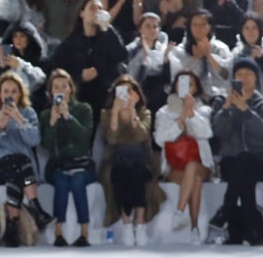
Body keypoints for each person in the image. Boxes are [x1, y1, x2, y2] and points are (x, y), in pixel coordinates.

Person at [0, 71, 54, 246]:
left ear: (20, 94)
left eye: (13, 91)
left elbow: (34, 140)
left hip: (20, 171)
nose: (9, 95)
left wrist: (20, 120)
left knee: (16, 173)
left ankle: (12, 228)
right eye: (6, 91)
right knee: (20, 161)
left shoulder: (28, 113)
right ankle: (36, 207)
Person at [98, 75, 167, 245]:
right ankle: (127, 222)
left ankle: (140, 223)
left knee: (137, 173)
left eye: (129, 91)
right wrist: (115, 111)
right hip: (115, 160)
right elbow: (111, 139)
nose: (126, 95)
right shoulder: (106, 114)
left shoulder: (145, 112)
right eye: (121, 91)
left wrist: (131, 111)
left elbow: (142, 135)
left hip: (140, 160)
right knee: (122, 172)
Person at [51, 0, 128, 141]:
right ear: (82, 13)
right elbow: (57, 70)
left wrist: (108, 28)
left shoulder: (107, 37)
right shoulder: (70, 44)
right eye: (92, 8)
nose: (97, 12)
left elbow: (121, 55)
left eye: (100, 9)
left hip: (105, 94)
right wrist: (79, 76)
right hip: (81, 95)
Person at [154, 70, 214, 243]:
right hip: (174, 165)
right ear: (175, 86)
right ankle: (194, 228)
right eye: (182, 83)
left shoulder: (204, 109)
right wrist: (181, 119)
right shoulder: (164, 112)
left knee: (193, 166)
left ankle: (179, 212)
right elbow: (160, 140)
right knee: (194, 179)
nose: (186, 87)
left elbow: (206, 133)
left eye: (191, 84)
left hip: (201, 162)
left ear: (196, 88)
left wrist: (191, 113)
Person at [39, 69, 96, 246]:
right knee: (62, 181)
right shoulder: (46, 115)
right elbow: (46, 145)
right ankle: (58, 232)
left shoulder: (84, 109)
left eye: (64, 86)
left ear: (71, 89)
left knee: (78, 180)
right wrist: (53, 124)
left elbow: (85, 137)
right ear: (51, 92)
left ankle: (84, 232)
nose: (61, 90)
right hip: (58, 165)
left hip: (82, 164)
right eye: (56, 87)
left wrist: (69, 118)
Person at [210, 57, 263, 244]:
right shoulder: (221, 101)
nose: (244, 78)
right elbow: (217, 131)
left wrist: (246, 111)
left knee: (246, 160)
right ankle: (252, 232)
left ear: (256, 78)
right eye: (239, 75)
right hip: (231, 161)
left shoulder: (261, 103)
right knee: (243, 171)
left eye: (248, 74)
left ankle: (226, 213)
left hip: (259, 160)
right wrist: (226, 109)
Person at [124, 12, 174, 145]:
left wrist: (166, 60)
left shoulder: (162, 49)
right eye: (148, 26)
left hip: (158, 93)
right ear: (140, 29)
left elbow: (167, 80)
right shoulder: (131, 49)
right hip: (138, 91)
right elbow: (130, 76)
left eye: (155, 27)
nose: (152, 30)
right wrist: (142, 60)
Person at [170, 8, 234, 100]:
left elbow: (226, 76)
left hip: (218, 96)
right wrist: (196, 59)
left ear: (210, 27)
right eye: (195, 25)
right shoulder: (179, 51)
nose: (198, 28)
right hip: (189, 97)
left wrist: (209, 55)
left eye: (203, 25)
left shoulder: (221, 48)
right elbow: (179, 82)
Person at [0, 21, 48, 107]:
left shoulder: (41, 60)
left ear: (29, 38)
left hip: (33, 105)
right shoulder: (3, 60)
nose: (18, 40)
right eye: (15, 36)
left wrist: (21, 66)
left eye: (22, 36)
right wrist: (1, 68)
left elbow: (41, 83)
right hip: (8, 104)